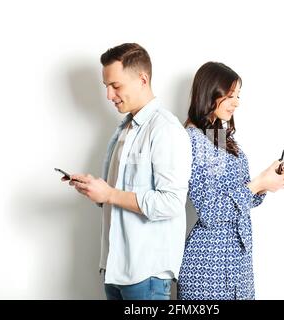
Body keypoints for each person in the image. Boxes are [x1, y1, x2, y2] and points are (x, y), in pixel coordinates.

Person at [62, 43, 192, 300]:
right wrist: (96, 189)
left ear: (142, 79)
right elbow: (121, 192)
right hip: (115, 269)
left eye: (116, 86)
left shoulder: (165, 129)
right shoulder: (125, 128)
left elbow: (171, 203)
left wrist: (109, 194)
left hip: (146, 276)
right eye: (106, 87)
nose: (109, 95)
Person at [177, 62, 284, 300]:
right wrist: (258, 184)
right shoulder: (194, 139)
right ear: (210, 93)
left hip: (238, 261)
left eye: (238, 95)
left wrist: (267, 182)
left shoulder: (218, 137)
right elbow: (210, 212)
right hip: (210, 264)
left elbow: (239, 198)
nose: (236, 102)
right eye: (230, 95)